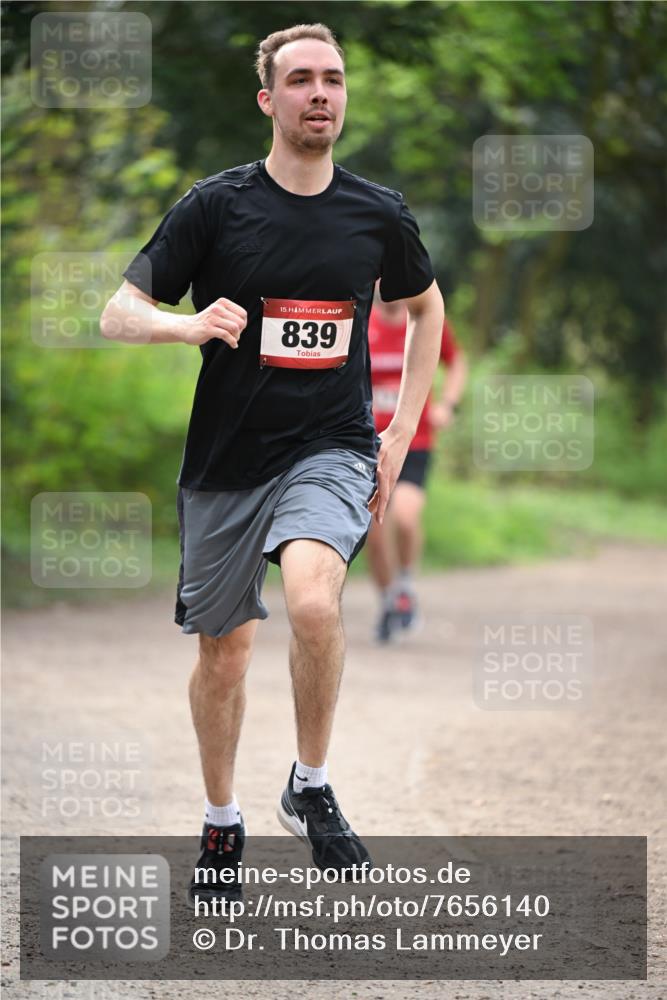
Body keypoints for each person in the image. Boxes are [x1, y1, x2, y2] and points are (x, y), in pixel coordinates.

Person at [100, 22, 445, 904]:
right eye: (300, 80)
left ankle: (312, 781)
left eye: (332, 78)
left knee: (312, 600)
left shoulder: (377, 213)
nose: (319, 93)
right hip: (225, 460)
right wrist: (188, 324)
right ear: (270, 99)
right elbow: (119, 311)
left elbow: (425, 309)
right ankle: (222, 814)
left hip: (329, 447)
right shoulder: (216, 205)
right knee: (224, 653)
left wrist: (399, 430)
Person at [367, 295, 467, 641]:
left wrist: (449, 405)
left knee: (406, 517)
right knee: (375, 538)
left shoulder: (424, 317)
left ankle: (406, 582)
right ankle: (389, 603)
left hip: (415, 441)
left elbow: (456, 362)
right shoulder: (362, 322)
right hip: (370, 445)